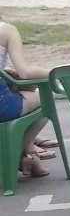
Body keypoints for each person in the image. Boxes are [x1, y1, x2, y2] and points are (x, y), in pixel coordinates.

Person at [0, 17, 51, 178]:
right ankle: (11, 157)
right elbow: (25, 73)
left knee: (21, 89)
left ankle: (28, 156)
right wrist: (57, 72)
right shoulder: (6, 30)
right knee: (45, 100)